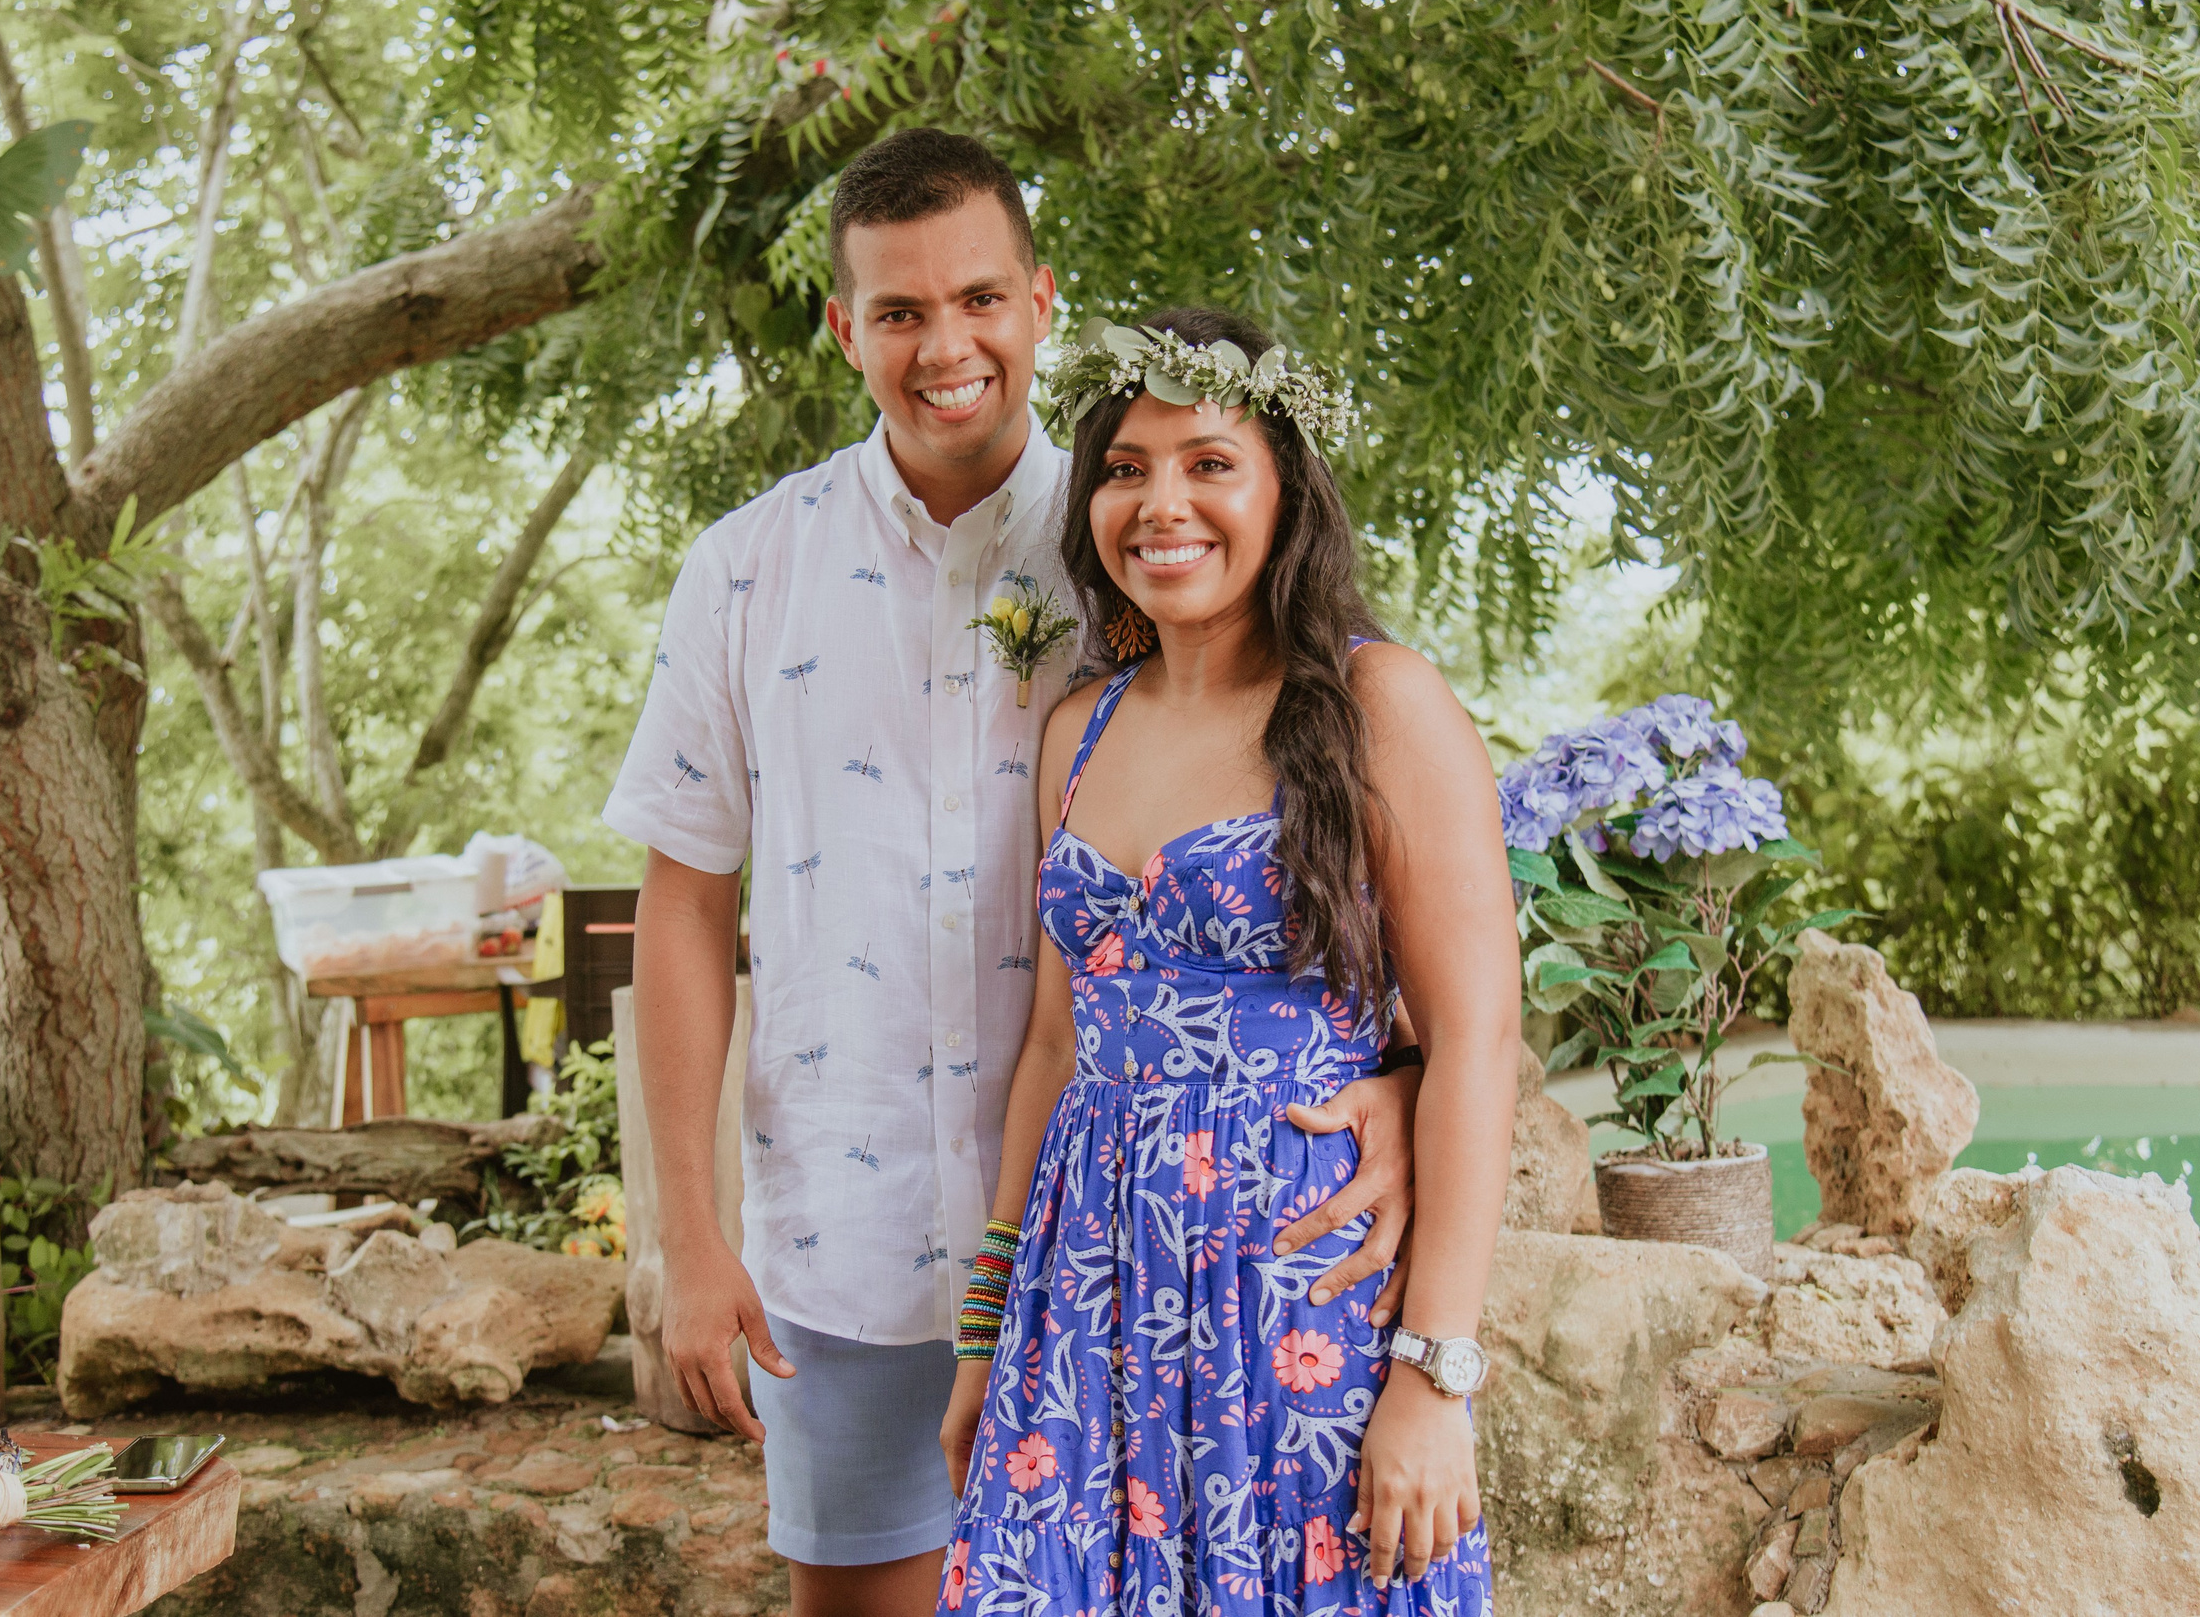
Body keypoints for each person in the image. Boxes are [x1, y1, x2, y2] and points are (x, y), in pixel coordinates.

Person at [605, 134, 1430, 1617]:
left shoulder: (1147, 539)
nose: (947, 344)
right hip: (841, 1246)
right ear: (846, 327)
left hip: (1130, 1255)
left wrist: (1408, 1081)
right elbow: (685, 907)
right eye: (901, 311)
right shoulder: (741, 572)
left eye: (980, 297)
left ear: (1041, 302)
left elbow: (1348, 823)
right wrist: (691, 1228)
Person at [936, 307, 1520, 1616]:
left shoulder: (1384, 706)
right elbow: (1052, 1045)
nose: (1161, 503)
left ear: (1285, 490)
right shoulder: (1075, 729)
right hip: (1083, 1314)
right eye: (1127, 468)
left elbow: (1478, 1036)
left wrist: (1434, 1378)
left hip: (1300, 1306)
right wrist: (986, 1341)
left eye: (1209, 462)